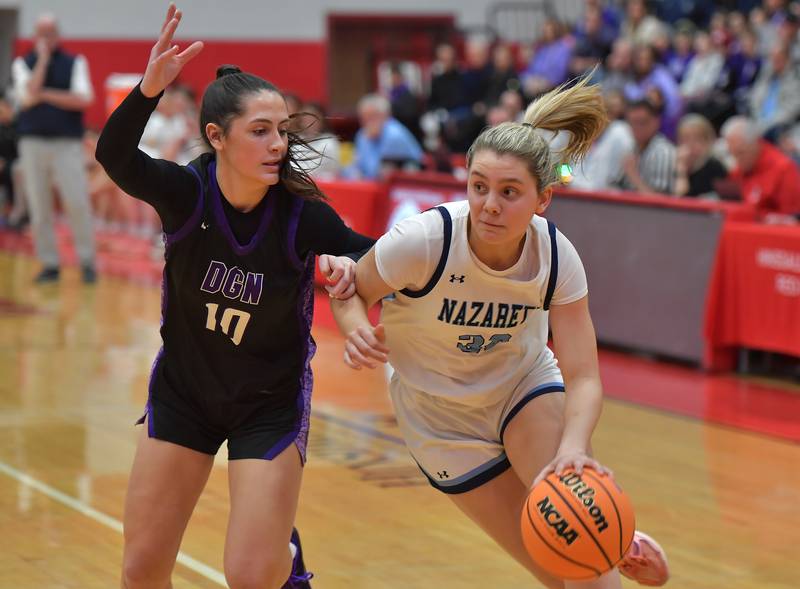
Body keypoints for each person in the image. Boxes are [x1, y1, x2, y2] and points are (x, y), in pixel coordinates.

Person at [331, 76, 670, 588]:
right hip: (441, 422)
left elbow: (583, 376)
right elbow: (353, 287)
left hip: (521, 388)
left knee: (590, 575)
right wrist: (356, 328)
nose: (489, 204)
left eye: (509, 192)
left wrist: (574, 446)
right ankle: (616, 541)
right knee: (557, 569)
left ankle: (612, 544)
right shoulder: (425, 241)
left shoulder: (557, 257)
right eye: (478, 187)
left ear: (542, 200)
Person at [95, 6, 373, 589]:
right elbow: (114, 158)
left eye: (282, 131)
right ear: (217, 138)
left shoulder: (302, 216)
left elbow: (375, 253)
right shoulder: (187, 193)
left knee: (250, 577)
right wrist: (148, 90)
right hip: (185, 394)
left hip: (267, 403)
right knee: (140, 572)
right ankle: (277, 548)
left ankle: (281, 560)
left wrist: (371, 276)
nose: (278, 144)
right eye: (260, 131)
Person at [12, 13, 97, 283]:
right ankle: (50, 264)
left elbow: (84, 98)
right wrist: (44, 62)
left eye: (50, 33)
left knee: (77, 202)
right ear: (35, 36)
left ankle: (87, 262)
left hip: (67, 143)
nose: (46, 38)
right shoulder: (22, 63)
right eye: (41, 33)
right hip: (32, 142)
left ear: (58, 35)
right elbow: (26, 98)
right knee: (39, 206)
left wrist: (45, 95)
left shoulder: (75, 62)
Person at [721, 115, 800, 215]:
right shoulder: (737, 171)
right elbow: (730, 207)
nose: (737, 160)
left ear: (756, 143)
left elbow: (792, 218)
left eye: (741, 152)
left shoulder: (783, 169)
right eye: (732, 154)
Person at [342, 93, 422, 180]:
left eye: (373, 116)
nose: (368, 122)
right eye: (364, 118)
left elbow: (381, 174)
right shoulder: (362, 135)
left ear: (386, 115)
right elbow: (355, 166)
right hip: (372, 186)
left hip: (405, 188)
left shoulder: (394, 135)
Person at [618, 98, 676, 194]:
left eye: (641, 122)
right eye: (632, 123)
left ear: (656, 122)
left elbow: (660, 203)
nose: (636, 128)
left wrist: (633, 176)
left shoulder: (662, 152)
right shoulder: (633, 147)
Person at [673, 114, 728, 197]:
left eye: (697, 138)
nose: (691, 144)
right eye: (686, 138)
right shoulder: (674, 163)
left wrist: (682, 171)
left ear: (708, 141)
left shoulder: (714, 167)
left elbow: (681, 197)